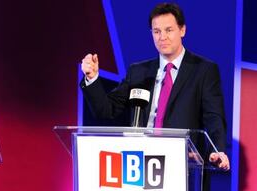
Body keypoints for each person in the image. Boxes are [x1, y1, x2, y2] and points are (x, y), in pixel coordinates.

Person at [80, 3, 229, 190]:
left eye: (169, 30)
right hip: (139, 166)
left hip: (182, 167)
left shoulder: (204, 70)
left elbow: (214, 116)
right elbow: (106, 109)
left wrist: (218, 150)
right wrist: (92, 78)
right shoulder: (139, 71)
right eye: (156, 31)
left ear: (182, 30)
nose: (162, 37)